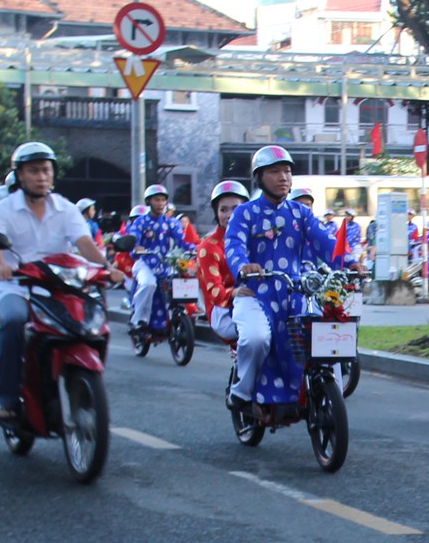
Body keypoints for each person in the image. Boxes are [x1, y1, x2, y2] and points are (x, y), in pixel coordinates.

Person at [0, 141, 100, 422]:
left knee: (88, 320)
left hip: (57, 285)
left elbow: (84, 244)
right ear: (20, 175)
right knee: (13, 320)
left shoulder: (66, 208)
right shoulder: (3, 209)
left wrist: (108, 267)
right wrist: (1, 267)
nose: (41, 176)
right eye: (34, 170)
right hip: (14, 285)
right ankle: (7, 398)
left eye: (46, 170)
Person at [223, 143, 327, 408]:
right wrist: (243, 266)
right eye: (275, 171)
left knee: (325, 335)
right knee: (256, 339)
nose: (283, 177)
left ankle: (324, 390)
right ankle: (242, 391)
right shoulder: (244, 213)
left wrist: (352, 263)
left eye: (288, 171)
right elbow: (233, 244)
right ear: (259, 177)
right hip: (255, 294)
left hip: (295, 294)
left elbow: (325, 242)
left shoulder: (300, 213)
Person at [123, 182, 200, 335]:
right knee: (149, 284)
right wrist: (137, 247)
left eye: (163, 200)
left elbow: (182, 241)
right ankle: (138, 320)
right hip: (144, 263)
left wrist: (196, 249)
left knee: (182, 283)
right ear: (148, 202)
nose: (160, 203)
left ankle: (180, 315)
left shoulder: (171, 222)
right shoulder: (140, 221)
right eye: (156, 200)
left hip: (164, 264)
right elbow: (134, 238)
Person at [196, 179, 247, 347]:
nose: (229, 215)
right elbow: (214, 291)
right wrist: (235, 292)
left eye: (235, 208)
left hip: (255, 303)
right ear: (216, 213)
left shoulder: (256, 240)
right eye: (223, 210)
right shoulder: (207, 247)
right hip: (224, 311)